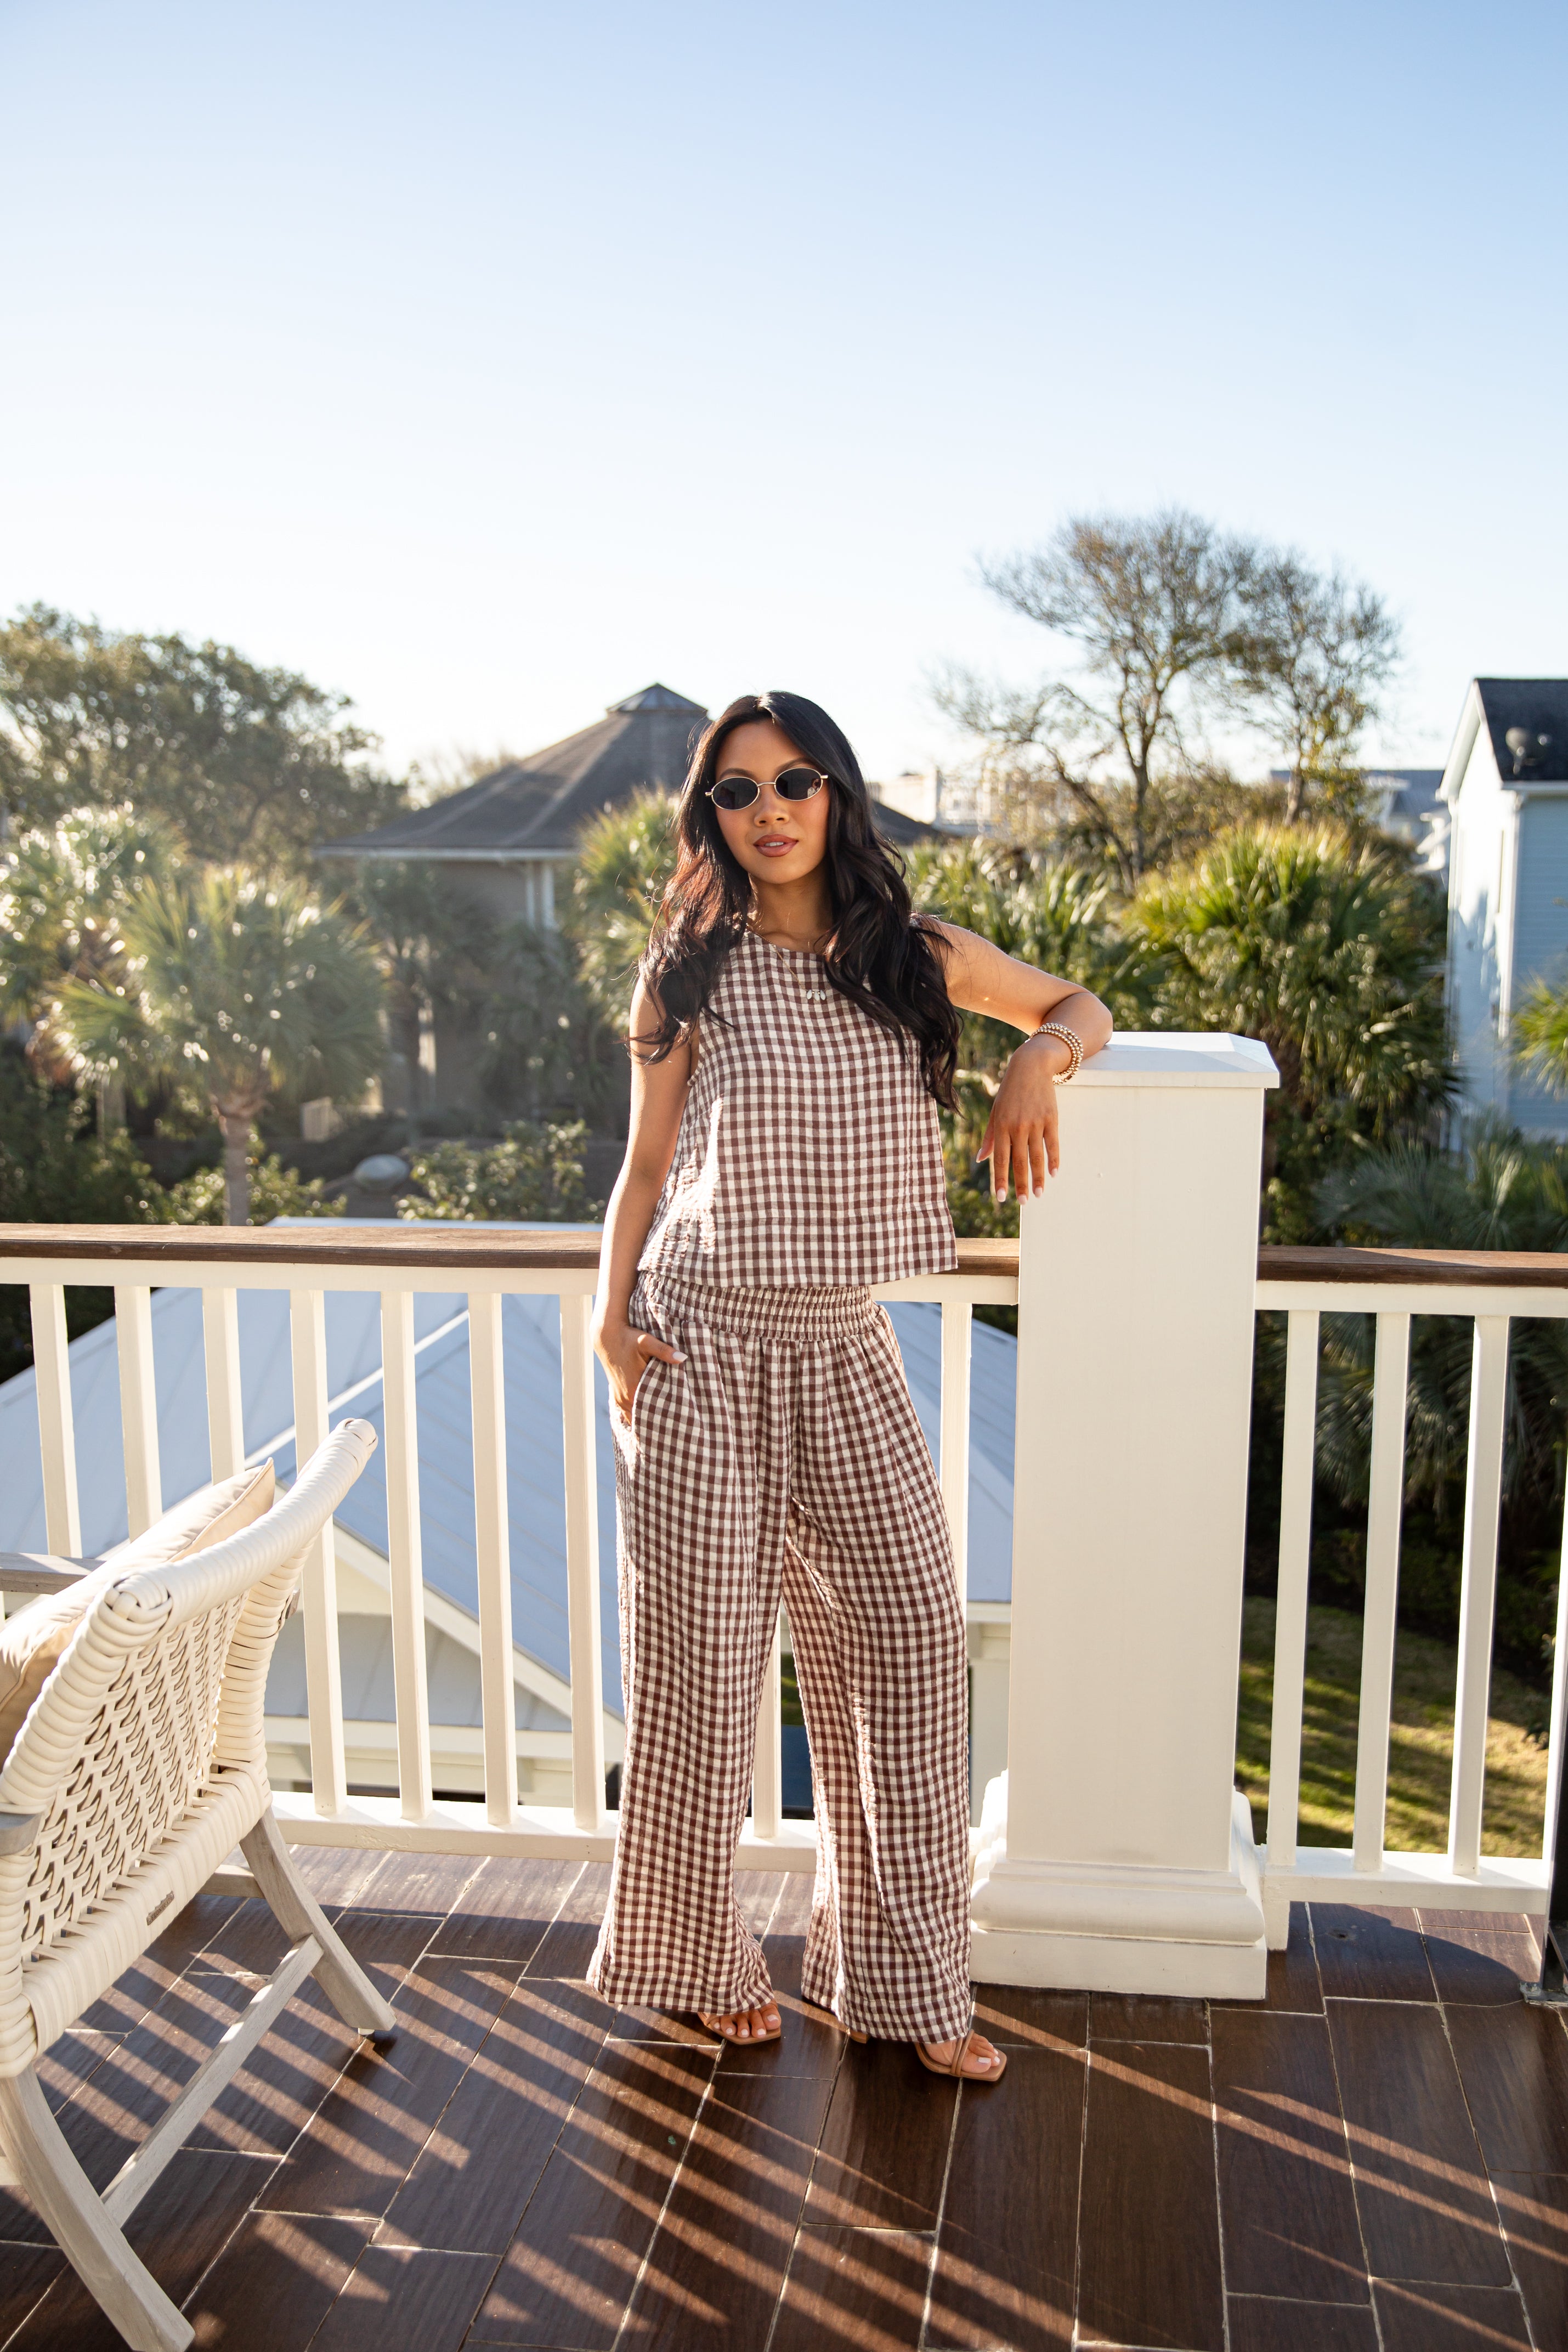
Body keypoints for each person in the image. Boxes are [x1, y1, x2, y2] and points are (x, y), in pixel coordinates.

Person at [587, 690, 1111, 2083]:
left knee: (909, 1653)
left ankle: (898, 1977)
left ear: (836, 795)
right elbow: (642, 1170)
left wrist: (1032, 1061)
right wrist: (607, 1325)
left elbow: (1080, 1003)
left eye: (795, 780)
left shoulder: (911, 949)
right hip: (697, 1346)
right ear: (709, 816)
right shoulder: (685, 969)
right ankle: (696, 1965)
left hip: (842, 1347)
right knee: (700, 1679)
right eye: (737, 790)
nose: (768, 809)